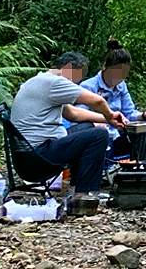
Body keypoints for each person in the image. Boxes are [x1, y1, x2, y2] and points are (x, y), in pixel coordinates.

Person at [9, 52, 125, 198]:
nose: (75, 84)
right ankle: (84, 194)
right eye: (76, 78)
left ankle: (77, 187)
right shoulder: (54, 82)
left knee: (88, 127)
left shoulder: (40, 81)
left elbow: (73, 114)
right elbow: (98, 101)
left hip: (29, 156)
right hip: (37, 159)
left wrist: (108, 120)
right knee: (99, 135)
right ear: (68, 68)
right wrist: (110, 114)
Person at [77, 39, 146, 163]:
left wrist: (144, 115)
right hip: (102, 132)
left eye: (124, 73)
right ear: (106, 67)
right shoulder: (88, 86)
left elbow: (129, 113)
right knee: (102, 132)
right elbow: (79, 114)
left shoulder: (121, 86)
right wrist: (95, 122)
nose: (120, 77)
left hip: (120, 131)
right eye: (116, 72)